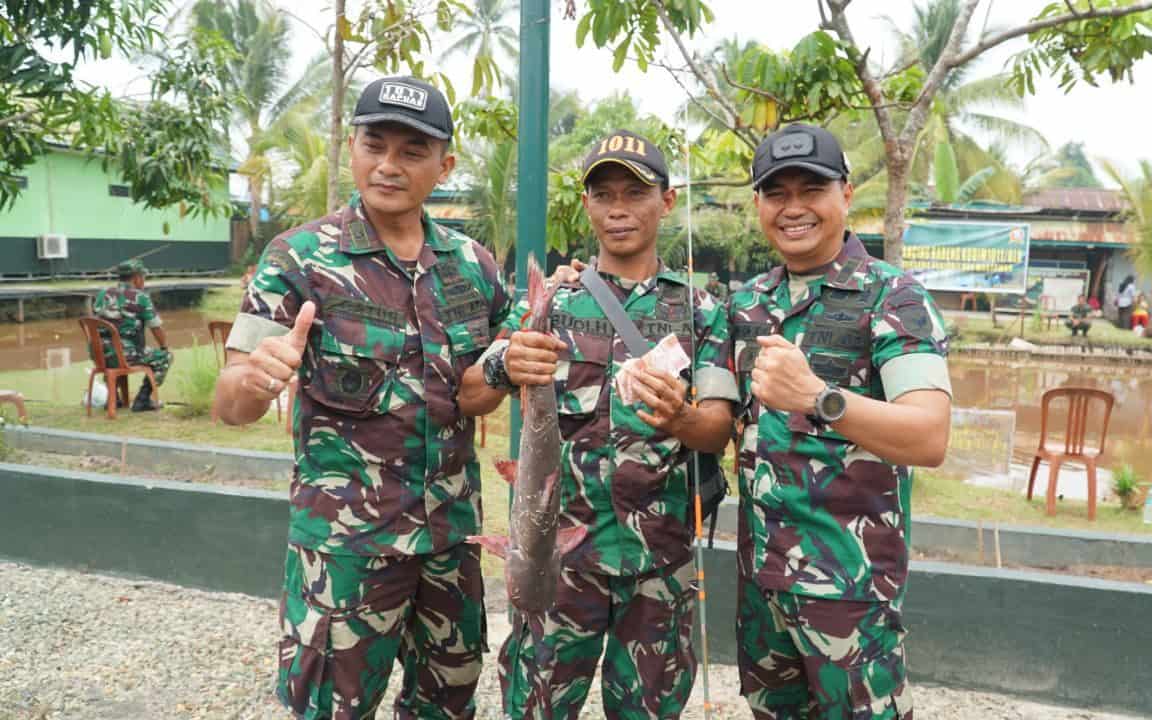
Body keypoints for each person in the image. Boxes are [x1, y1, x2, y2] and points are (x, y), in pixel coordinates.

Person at [213, 76, 511, 719]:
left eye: (412, 151)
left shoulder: (475, 266)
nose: (389, 166)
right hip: (346, 550)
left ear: (444, 165)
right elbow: (230, 402)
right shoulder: (297, 259)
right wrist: (256, 379)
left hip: (450, 543)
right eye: (375, 144)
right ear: (352, 147)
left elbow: (483, 389)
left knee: (448, 703)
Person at [460, 129, 737, 719]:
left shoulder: (702, 311)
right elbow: (475, 386)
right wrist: (503, 364)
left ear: (666, 201)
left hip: (657, 567)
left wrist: (682, 415)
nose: (618, 209)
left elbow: (717, 430)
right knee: (534, 708)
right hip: (557, 563)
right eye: (603, 194)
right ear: (585, 204)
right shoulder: (553, 301)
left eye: (635, 194)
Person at [729, 124, 952, 719]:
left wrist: (819, 396)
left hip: (849, 589)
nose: (794, 208)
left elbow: (929, 435)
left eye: (813, 189)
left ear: (847, 195)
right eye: (777, 193)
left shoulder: (894, 298)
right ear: (758, 205)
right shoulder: (746, 304)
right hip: (762, 585)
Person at [90, 259, 171, 411]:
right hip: (124, 355)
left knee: (111, 350)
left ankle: (114, 398)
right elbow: (156, 328)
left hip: (98, 354)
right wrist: (164, 347)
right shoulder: (141, 297)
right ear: (136, 278)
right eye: (143, 277)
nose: (144, 281)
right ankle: (143, 399)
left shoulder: (102, 294)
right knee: (165, 357)